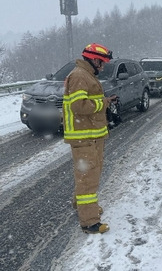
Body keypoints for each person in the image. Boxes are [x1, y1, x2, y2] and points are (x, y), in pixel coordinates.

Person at [63, 43, 116, 234]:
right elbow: (79, 106)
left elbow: (86, 103)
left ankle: (83, 207)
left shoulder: (85, 75)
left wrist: (105, 102)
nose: (102, 67)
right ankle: (90, 222)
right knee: (88, 179)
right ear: (93, 60)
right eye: (101, 63)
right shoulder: (79, 76)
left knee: (88, 175)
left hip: (90, 136)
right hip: (84, 137)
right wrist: (102, 103)